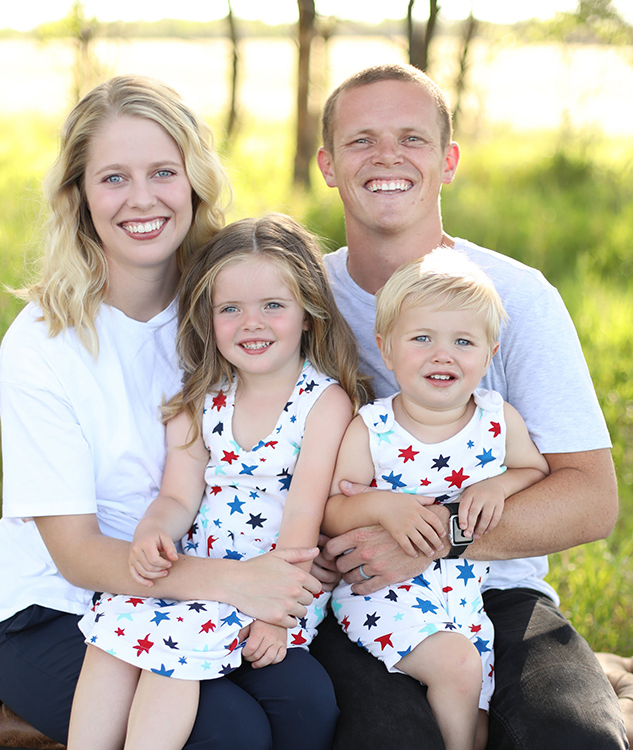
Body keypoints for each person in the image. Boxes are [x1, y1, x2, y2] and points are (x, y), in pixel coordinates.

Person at [0, 77, 326, 750]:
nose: (142, 199)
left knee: (306, 703)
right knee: (230, 733)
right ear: (78, 196)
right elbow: (76, 555)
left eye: (163, 172)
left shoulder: (227, 312)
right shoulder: (43, 343)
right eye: (114, 178)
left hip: (191, 592)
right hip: (55, 609)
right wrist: (242, 583)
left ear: (194, 182)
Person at [309, 63, 626, 749]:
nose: (388, 156)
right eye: (362, 140)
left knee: (574, 738)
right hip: (359, 598)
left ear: (448, 161)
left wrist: (435, 540)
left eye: (412, 139)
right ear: (327, 165)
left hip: (498, 588)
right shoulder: (300, 304)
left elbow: (591, 499)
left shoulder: (517, 297)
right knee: (387, 739)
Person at [68, 213, 370, 750]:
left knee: (172, 659)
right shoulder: (203, 399)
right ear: (208, 319)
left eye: (273, 305)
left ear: (308, 315)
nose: (251, 323)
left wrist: (277, 613)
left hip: (275, 587)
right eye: (230, 309)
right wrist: (153, 532)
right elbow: (178, 494)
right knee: (110, 633)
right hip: (198, 575)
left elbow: (305, 514)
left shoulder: (322, 403)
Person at [323, 248, 549, 750]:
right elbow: (333, 509)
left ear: (490, 354)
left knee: (477, 710)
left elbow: (534, 470)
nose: (441, 354)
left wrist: (497, 485)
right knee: (457, 668)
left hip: (466, 601)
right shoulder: (373, 428)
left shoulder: (496, 420)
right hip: (381, 596)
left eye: (463, 341)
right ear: (385, 349)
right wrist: (382, 506)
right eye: (421, 338)